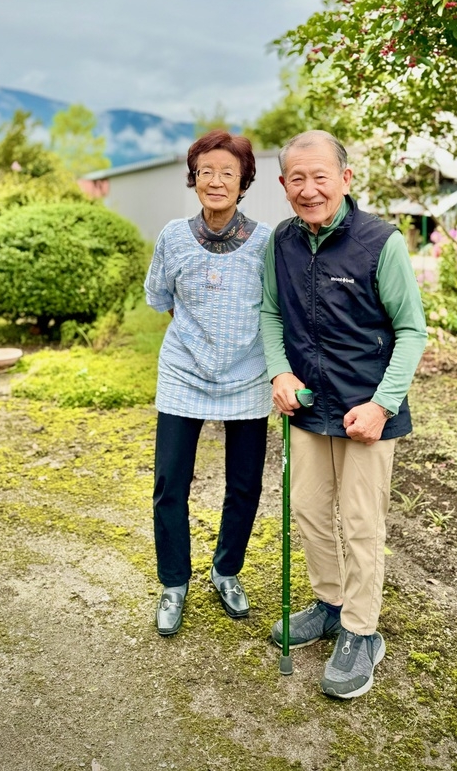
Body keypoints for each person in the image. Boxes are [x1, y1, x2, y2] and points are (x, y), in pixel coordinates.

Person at [260, 130, 427, 699]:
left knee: (360, 523)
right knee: (308, 511)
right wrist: (280, 373)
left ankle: (361, 630)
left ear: (345, 180)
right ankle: (329, 603)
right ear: (284, 186)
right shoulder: (280, 242)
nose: (309, 190)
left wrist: (383, 405)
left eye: (320, 177)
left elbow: (411, 331)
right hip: (308, 406)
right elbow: (270, 315)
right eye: (297, 179)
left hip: (366, 411)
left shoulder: (382, 243)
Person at [144, 130, 272, 636]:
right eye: (206, 171)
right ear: (193, 178)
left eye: (227, 172)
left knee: (245, 484)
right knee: (169, 481)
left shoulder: (266, 242)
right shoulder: (173, 236)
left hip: (249, 375)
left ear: (244, 182)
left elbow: (275, 310)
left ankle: (227, 571)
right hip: (182, 373)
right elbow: (161, 298)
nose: (215, 180)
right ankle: (174, 583)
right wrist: (196, 341)